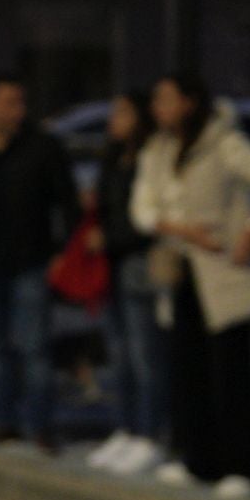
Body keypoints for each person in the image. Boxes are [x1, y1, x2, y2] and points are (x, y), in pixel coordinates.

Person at [131, 75, 250, 499]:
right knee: (188, 367)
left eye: (167, 98)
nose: (159, 107)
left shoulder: (223, 142)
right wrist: (183, 230)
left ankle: (245, 465)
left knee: (230, 371)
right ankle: (199, 459)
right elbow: (143, 210)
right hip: (182, 268)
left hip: (225, 272)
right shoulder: (159, 149)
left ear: (190, 102)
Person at [0, 76, 78, 451]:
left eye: (20, 102)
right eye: (7, 102)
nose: (16, 110)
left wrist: (60, 252)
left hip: (30, 260)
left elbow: (65, 202)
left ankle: (40, 425)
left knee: (34, 346)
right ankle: (0, 418)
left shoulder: (42, 147)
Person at [86, 92, 166, 476]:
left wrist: (112, 237)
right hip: (113, 263)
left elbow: (149, 217)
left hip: (137, 261)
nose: (114, 119)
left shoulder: (151, 157)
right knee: (120, 353)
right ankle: (128, 427)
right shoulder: (114, 157)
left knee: (143, 354)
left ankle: (149, 434)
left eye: (122, 112)